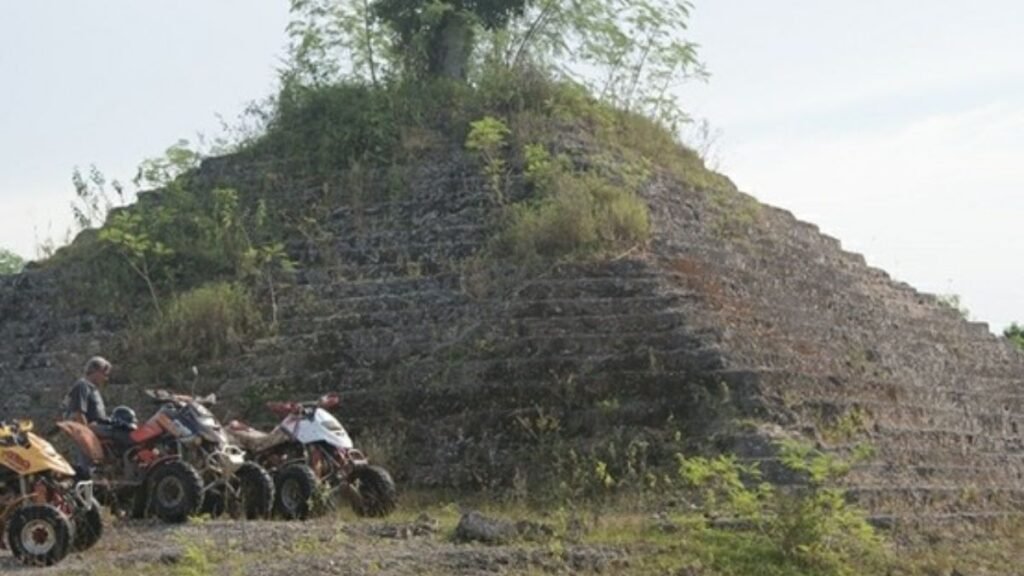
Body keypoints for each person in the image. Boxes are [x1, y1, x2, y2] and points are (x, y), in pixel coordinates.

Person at [62, 356, 111, 425]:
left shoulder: (93, 389)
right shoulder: (82, 386)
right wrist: (87, 432)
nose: (106, 378)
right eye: (104, 374)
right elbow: (78, 414)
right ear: (95, 371)